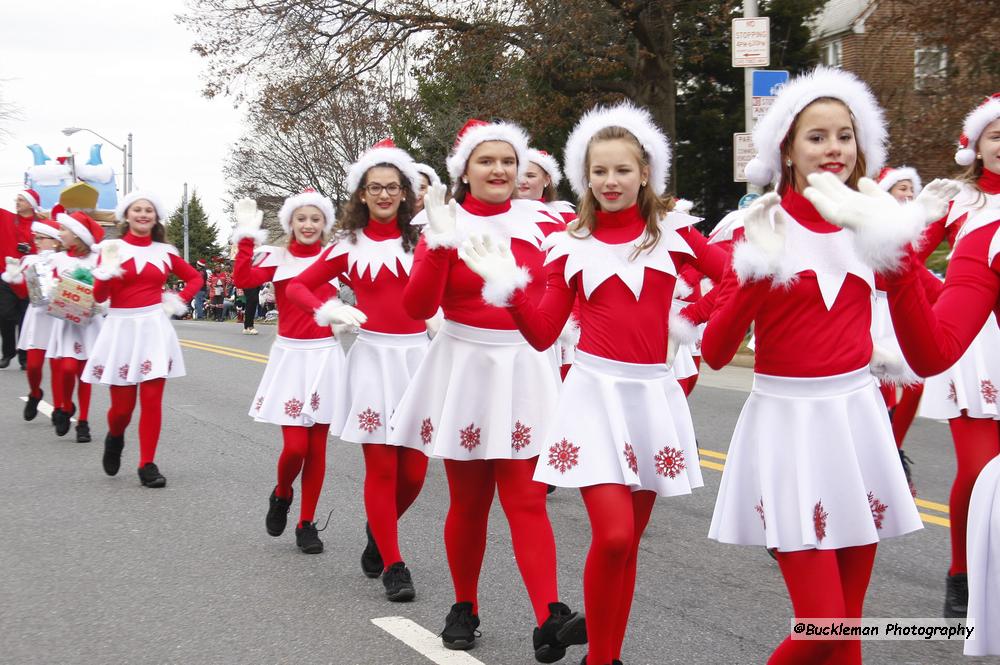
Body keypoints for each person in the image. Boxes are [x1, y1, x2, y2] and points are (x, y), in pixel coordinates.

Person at [459, 102, 725, 665]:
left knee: (627, 550)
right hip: (593, 397)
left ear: (646, 172)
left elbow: (737, 281)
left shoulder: (677, 235)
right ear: (585, 177)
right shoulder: (568, 244)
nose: (611, 181)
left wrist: (692, 317)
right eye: (599, 171)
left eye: (622, 170)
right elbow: (542, 332)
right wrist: (506, 286)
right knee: (614, 537)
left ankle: (603, 656)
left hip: (653, 397)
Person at [700, 67, 927, 665]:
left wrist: (900, 235)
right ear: (788, 151)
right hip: (787, 427)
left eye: (844, 136)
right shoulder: (757, 228)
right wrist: (754, 272)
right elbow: (717, 351)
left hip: (857, 424)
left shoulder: (869, 225)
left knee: (847, 630)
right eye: (817, 136)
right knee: (823, 625)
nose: (834, 149)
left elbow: (933, 305)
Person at [390, 118, 587, 662]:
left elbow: (554, 299)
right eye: (486, 160)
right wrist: (438, 245)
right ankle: (464, 606)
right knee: (470, 501)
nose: (499, 170)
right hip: (465, 366)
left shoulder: (545, 223)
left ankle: (550, 616)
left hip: (524, 366)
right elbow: (416, 308)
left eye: (508, 161)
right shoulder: (445, 223)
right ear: (465, 171)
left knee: (526, 499)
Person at [806, 92, 999, 642]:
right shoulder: (968, 212)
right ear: (976, 147)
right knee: (982, 473)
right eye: (995, 134)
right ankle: (963, 572)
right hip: (975, 343)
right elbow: (903, 259)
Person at [288, 139, 431, 600]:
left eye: (393, 187)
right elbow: (298, 288)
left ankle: (378, 529)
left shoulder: (427, 239)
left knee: (414, 474)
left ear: (405, 192)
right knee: (383, 468)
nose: (385, 195)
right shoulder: (348, 245)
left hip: (419, 358)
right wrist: (331, 310)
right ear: (362, 195)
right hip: (371, 358)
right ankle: (393, 563)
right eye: (376, 188)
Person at [231, 189, 350, 554]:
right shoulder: (277, 258)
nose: (309, 224)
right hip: (291, 356)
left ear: (326, 224)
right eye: (302, 218)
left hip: (326, 356)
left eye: (316, 219)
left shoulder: (336, 257)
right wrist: (247, 237)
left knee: (317, 450)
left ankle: (306, 523)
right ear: (290, 223)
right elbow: (242, 280)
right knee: (295, 447)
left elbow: (373, 288)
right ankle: (282, 493)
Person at [83, 191, 204, 488]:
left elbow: (195, 279)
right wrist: (106, 272)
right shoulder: (111, 247)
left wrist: (175, 302)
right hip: (121, 329)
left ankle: (146, 464)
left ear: (155, 217)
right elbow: (99, 297)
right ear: (127, 215)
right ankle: (115, 437)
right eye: (137, 209)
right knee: (122, 410)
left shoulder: (165, 251)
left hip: (153, 328)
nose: (143, 214)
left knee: (152, 402)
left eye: (148, 210)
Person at [45, 212, 106, 442]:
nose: (59, 234)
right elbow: (48, 286)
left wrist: (99, 303)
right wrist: (54, 292)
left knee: (85, 374)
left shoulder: (96, 259)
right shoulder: (58, 260)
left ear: (78, 235)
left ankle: (84, 422)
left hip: (89, 325)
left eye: (64, 230)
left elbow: (106, 286)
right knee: (68, 368)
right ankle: (66, 405)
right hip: (67, 324)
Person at [1, 218, 62, 422]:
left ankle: (60, 408)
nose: (36, 241)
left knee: (57, 367)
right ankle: (35, 393)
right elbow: (22, 293)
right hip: (37, 318)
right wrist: (15, 279)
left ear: (54, 241)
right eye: (35, 237)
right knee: (34, 366)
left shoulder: (63, 260)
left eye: (40, 238)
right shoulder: (29, 261)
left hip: (57, 319)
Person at [0, 190, 41, 369]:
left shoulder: (41, 225)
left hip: (30, 277)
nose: (17, 201)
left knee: (27, 316)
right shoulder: (7, 218)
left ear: (31, 204)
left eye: (22, 200)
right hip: (7, 274)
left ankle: (24, 357)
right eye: (17, 199)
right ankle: (8, 352)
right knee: (5, 314)